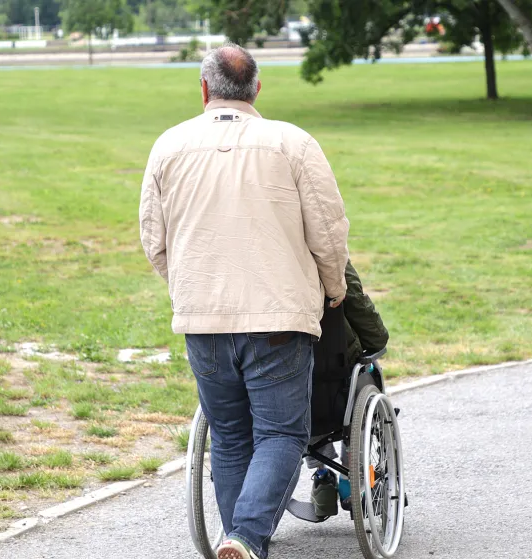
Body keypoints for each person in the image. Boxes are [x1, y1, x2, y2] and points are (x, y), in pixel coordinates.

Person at [138, 44, 350, 559]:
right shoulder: (293, 143)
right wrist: (333, 290)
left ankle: (242, 541)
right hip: (279, 315)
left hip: (203, 317)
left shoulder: (169, 146)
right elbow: (328, 233)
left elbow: (154, 239)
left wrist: (189, 287)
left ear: (205, 89)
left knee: (231, 437)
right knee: (280, 433)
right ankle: (246, 539)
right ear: (257, 89)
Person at [307, 260, 390, 518]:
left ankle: (321, 474)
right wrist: (377, 340)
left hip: (273, 384)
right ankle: (351, 474)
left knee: (288, 396)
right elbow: (355, 301)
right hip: (335, 384)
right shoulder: (327, 253)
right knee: (365, 377)